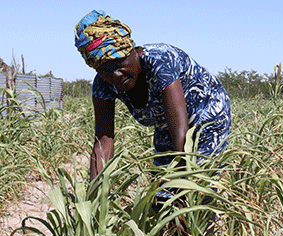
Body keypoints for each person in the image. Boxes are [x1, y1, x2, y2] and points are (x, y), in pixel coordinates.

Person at [75, 10, 231, 195]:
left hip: (207, 115)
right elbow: (103, 142)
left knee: (197, 190)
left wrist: (181, 190)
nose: (115, 76)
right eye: (105, 70)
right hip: (168, 125)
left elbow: (181, 132)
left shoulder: (160, 61)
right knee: (161, 196)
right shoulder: (103, 85)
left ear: (131, 50)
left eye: (118, 64)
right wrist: (93, 199)